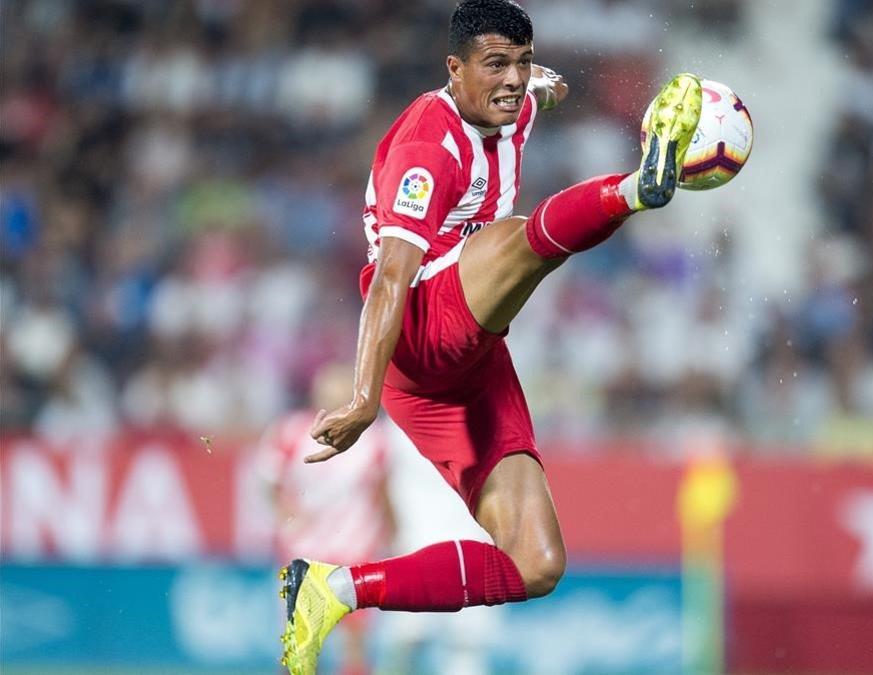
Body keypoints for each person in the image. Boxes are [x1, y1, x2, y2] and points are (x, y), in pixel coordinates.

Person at [278, 0, 707, 672]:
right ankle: (636, 188)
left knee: (537, 562)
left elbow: (536, 87)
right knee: (519, 241)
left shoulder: (518, 101)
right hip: (416, 334)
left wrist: (543, 82)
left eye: (522, 62)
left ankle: (331, 589)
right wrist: (363, 397)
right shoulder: (429, 145)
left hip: (474, 361)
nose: (513, 79)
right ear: (454, 69)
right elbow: (391, 277)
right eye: (495, 65)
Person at [258, 363, 394, 675]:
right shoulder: (289, 432)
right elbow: (268, 481)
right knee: (299, 644)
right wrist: (286, 515)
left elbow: (383, 490)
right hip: (304, 552)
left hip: (356, 550)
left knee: (355, 642)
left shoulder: (374, 439)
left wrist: (389, 531)